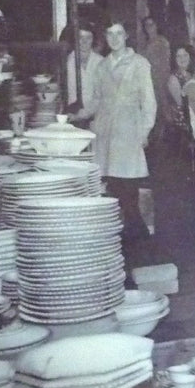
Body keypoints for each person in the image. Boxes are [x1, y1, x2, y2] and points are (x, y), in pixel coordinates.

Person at [74, 20, 156, 242]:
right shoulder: (102, 66)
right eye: (110, 34)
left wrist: (145, 131)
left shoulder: (139, 63)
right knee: (113, 181)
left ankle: (136, 231)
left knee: (128, 182)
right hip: (105, 128)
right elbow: (97, 100)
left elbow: (149, 101)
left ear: (126, 36)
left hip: (129, 127)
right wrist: (79, 115)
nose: (114, 38)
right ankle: (134, 231)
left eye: (119, 33)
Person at [140, 15, 172, 140]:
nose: (148, 27)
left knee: (162, 111)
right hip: (149, 81)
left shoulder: (161, 41)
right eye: (146, 25)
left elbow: (164, 64)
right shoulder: (146, 43)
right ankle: (154, 139)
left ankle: (162, 141)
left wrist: (161, 82)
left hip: (160, 80)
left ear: (157, 26)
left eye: (151, 24)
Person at [65, 21, 102, 114]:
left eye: (88, 38)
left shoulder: (101, 62)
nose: (84, 42)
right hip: (72, 114)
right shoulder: (66, 61)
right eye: (80, 37)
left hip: (96, 115)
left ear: (93, 39)